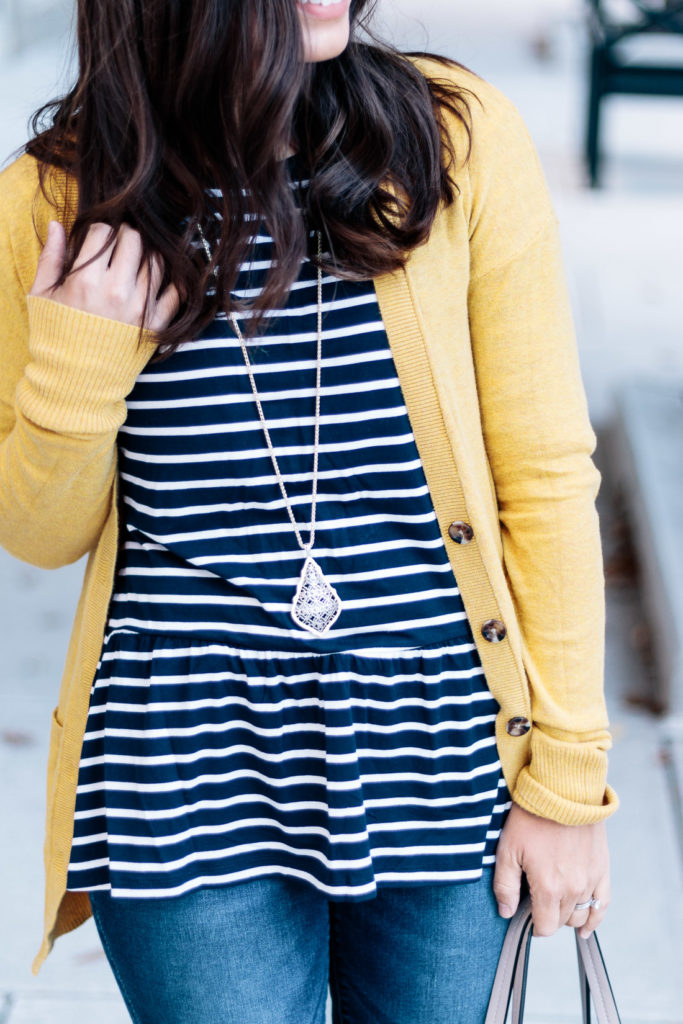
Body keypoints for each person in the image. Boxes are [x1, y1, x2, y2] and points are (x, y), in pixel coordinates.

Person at [0, 1, 618, 1021]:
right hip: (181, 772)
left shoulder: (452, 144)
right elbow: (40, 530)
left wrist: (564, 782)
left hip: (442, 751)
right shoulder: (55, 201)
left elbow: (545, 479)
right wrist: (78, 357)